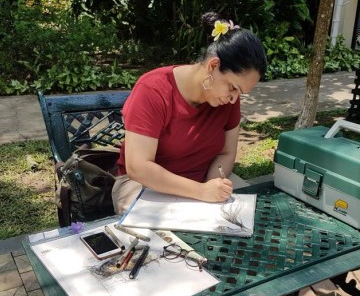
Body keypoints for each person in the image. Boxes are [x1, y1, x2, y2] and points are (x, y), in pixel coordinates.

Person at [112, 12, 267, 215]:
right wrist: (200, 192)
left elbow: (226, 152)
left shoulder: (227, 100)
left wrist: (214, 186)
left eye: (240, 92)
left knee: (250, 216)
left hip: (204, 181)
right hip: (146, 185)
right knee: (168, 240)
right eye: (232, 87)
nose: (234, 99)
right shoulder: (153, 89)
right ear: (213, 66)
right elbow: (138, 167)